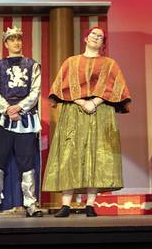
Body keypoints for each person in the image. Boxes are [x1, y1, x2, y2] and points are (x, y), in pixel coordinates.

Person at [43, 27, 131, 218]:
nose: (96, 38)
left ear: (103, 43)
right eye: (93, 34)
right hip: (74, 111)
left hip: (100, 111)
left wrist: (95, 102)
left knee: (96, 153)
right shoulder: (71, 62)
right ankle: (66, 204)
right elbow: (60, 87)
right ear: (85, 38)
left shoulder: (109, 63)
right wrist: (82, 101)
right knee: (70, 153)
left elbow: (116, 87)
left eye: (100, 36)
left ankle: (90, 204)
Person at [0, 27, 43, 218]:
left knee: (26, 161)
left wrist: (19, 108)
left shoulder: (33, 65)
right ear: (6, 43)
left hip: (25, 119)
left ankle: (31, 204)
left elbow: (35, 91)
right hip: (2, 120)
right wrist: (8, 109)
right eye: (12, 40)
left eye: (18, 39)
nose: (16, 43)